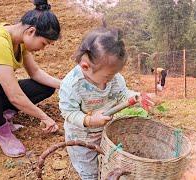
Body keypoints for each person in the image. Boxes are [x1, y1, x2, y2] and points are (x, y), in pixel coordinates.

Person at [59, 27, 154, 179]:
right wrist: (89, 120)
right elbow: (68, 112)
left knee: (106, 163)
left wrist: (137, 96)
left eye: (115, 74)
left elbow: (122, 94)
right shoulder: (72, 85)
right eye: (109, 76)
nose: (113, 79)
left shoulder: (114, 78)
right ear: (86, 67)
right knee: (89, 172)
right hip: (81, 138)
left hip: (105, 133)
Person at [0, 0, 61, 157]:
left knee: (45, 87)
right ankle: (2, 131)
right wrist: (44, 117)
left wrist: (67, 85)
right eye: (44, 43)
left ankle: (0, 114)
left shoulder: (19, 40)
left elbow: (35, 73)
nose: (43, 48)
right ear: (31, 31)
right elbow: (14, 95)